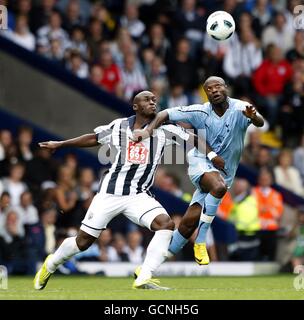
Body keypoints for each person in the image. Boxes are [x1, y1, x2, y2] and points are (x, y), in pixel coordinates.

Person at [33, 90, 214, 291]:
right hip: (110, 193)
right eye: (147, 99)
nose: (153, 102)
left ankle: (144, 276)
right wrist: (61, 144)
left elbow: (193, 138)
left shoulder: (165, 128)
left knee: (166, 224)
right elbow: (94, 138)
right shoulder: (119, 126)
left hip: (138, 194)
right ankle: (51, 264)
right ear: (135, 106)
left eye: (154, 99)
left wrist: (213, 156)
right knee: (83, 242)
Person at [132, 76, 264, 265]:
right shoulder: (200, 111)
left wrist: (254, 117)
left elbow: (260, 123)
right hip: (201, 160)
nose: (214, 90)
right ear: (205, 92)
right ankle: (200, 242)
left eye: (218, 86)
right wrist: (147, 132)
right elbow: (164, 114)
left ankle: (148, 267)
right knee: (218, 187)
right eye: (209, 88)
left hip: (226, 170)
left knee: (187, 224)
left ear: (225, 87)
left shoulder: (240, 108)